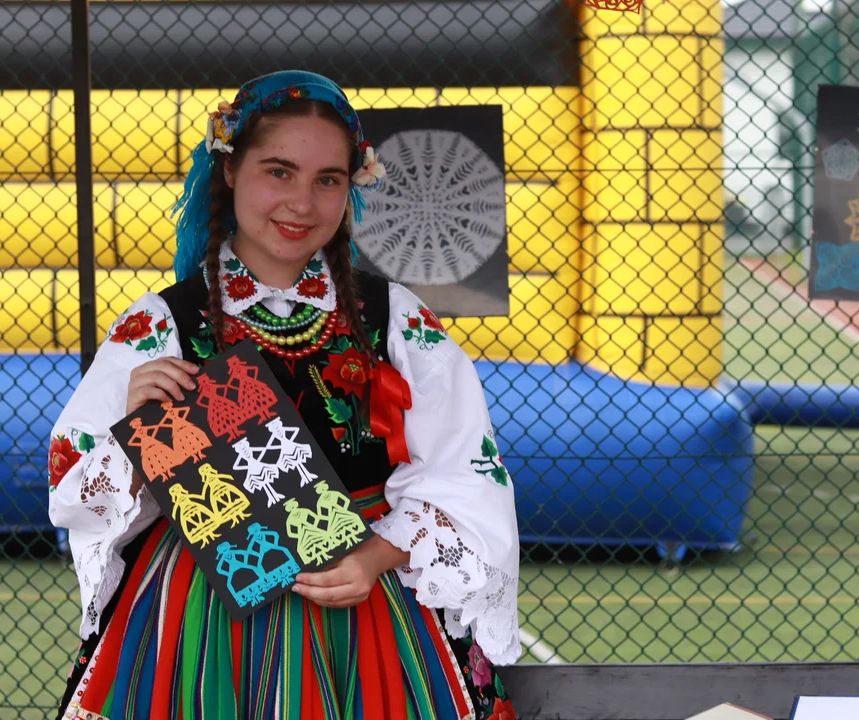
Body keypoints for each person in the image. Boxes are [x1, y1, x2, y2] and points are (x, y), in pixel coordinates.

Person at [48, 70, 520, 720]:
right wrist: (133, 434)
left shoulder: (396, 319)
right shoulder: (161, 325)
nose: (302, 202)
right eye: (279, 172)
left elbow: (466, 470)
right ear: (229, 172)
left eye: (327, 179)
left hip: (366, 606)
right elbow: (75, 484)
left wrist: (377, 555)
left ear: (352, 185)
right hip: (202, 620)